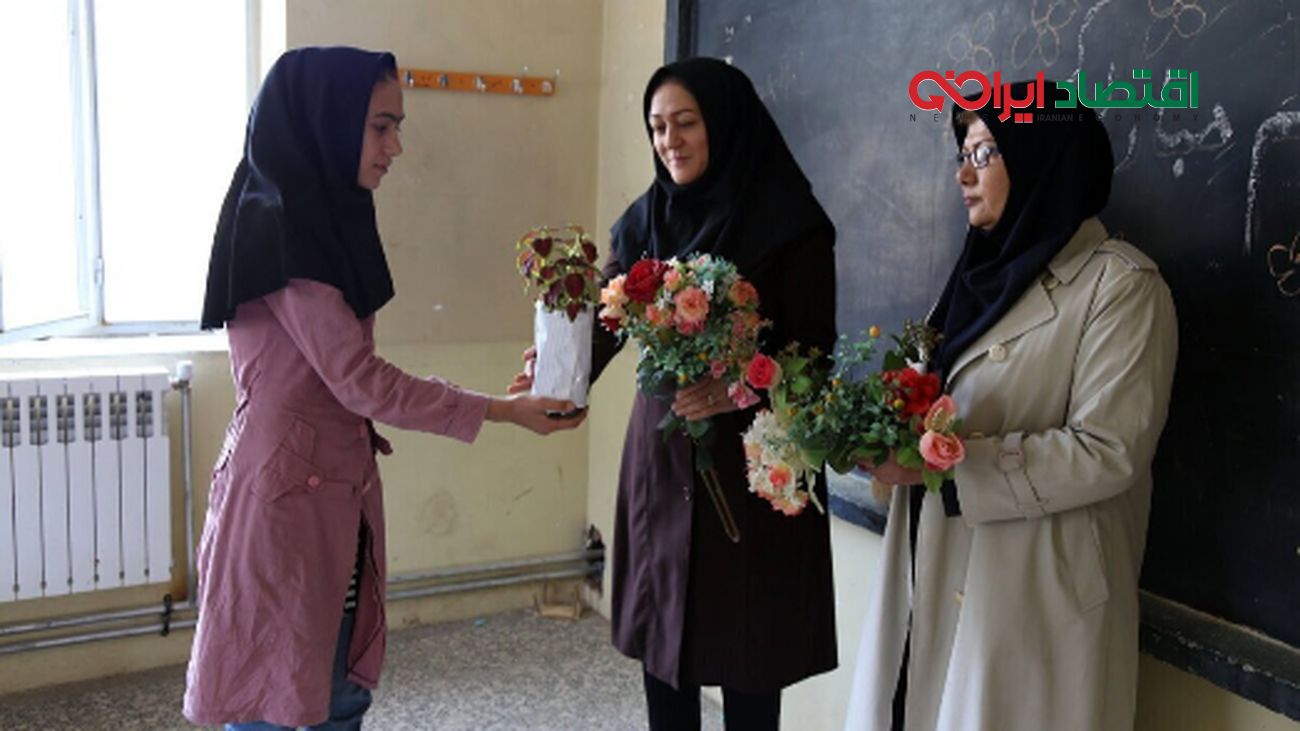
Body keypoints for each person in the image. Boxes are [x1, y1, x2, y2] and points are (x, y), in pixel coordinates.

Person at [184, 46, 583, 730]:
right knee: (274, 693)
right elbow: (360, 380)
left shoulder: (319, 218)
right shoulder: (285, 230)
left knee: (335, 683)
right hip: (285, 498)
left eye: (397, 126)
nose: (396, 146)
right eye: (381, 126)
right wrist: (501, 410)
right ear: (327, 122)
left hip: (324, 481)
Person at [513, 57, 838, 731]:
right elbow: (608, 319)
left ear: (724, 122)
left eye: (685, 123)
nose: (670, 142)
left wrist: (739, 386)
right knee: (665, 649)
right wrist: (557, 372)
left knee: (751, 655)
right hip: (663, 466)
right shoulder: (644, 222)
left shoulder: (792, 224)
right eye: (658, 127)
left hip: (753, 471)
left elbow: (813, 353)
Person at [844, 82, 1178, 730]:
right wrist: (876, 433)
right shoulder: (971, 280)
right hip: (933, 563)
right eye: (962, 155)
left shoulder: (1121, 286)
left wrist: (944, 467)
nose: (963, 174)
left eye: (985, 153)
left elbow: (1109, 450)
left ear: (1041, 156)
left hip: (1033, 591)